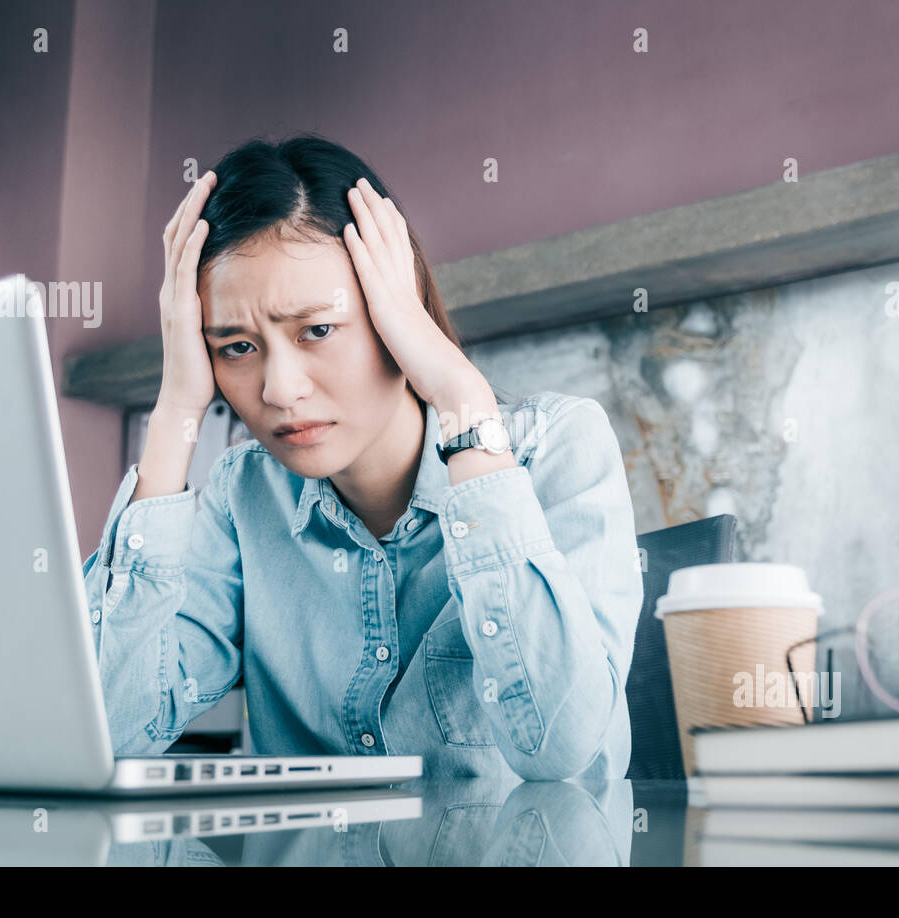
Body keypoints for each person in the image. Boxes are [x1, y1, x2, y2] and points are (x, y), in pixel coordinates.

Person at [81, 133, 643, 780]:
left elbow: (560, 753)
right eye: (236, 346)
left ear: (395, 317)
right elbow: (106, 732)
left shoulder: (559, 449)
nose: (279, 389)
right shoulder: (243, 496)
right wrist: (177, 407)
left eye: (316, 330)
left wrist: (462, 397)